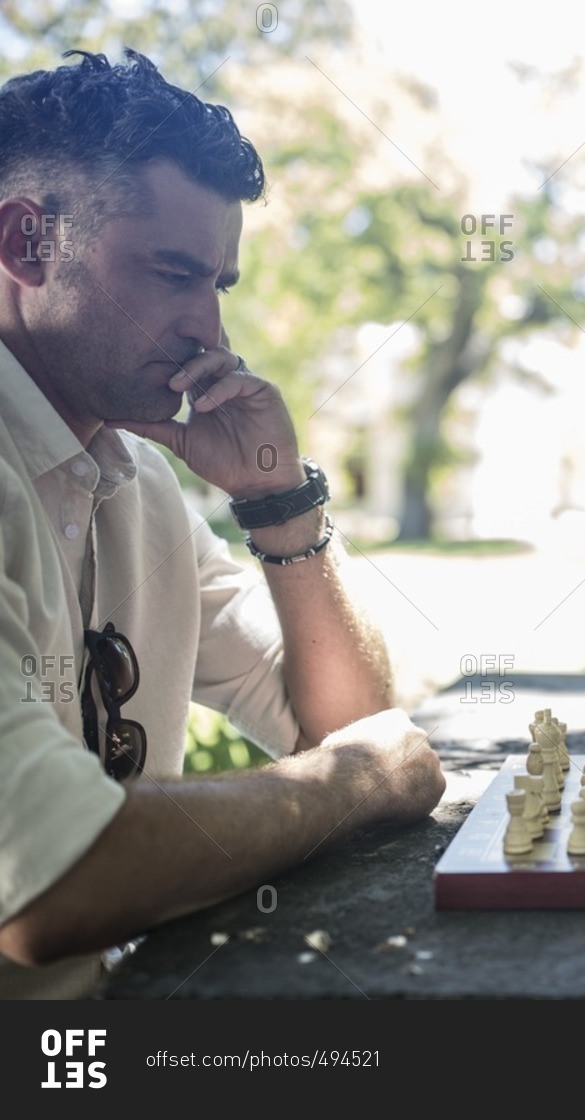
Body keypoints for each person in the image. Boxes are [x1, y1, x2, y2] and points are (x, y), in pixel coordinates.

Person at [0, 49, 446, 999]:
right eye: (171, 273)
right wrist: (351, 784)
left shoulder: (136, 482)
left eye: (220, 284)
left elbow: (344, 720)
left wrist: (276, 498)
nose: (211, 329)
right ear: (26, 244)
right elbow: (48, 881)